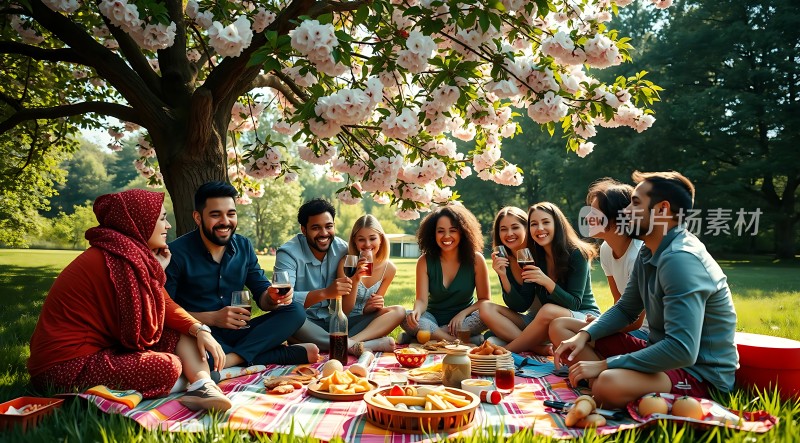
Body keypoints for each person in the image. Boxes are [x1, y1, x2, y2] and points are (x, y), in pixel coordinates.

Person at [28, 190, 231, 411]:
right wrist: (156, 277)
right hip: (64, 369)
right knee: (168, 366)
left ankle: (204, 386)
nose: (168, 226)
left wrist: (199, 329)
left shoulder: (126, 253)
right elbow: (140, 328)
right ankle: (188, 384)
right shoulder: (118, 260)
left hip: (100, 350)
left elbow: (163, 306)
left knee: (182, 331)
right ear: (139, 221)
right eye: (162, 219)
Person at [553, 171, 739, 409]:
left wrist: (606, 364)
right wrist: (585, 335)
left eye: (635, 203)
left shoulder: (681, 259)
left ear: (662, 210)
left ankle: (604, 384)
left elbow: (682, 350)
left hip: (698, 374)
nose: (625, 211)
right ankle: (605, 383)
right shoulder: (649, 249)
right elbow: (626, 309)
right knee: (566, 330)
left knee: (607, 383)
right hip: (659, 353)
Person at [166, 182, 317, 367]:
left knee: (295, 311)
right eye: (215, 215)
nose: (225, 221)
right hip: (198, 334)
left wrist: (272, 297)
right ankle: (268, 354)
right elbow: (165, 312)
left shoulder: (243, 246)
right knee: (199, 359)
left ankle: (232, 359)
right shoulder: (176, 253)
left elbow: (262, 296)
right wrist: (213, 318)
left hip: (239, 332)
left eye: (231, 214)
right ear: (198, 218)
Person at [275, 199, 395, 355]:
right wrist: (325, 293)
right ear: (303, 230)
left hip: (337, 322)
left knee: (397, 311)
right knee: (286, 315)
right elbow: (282, 300)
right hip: (304, 323)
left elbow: (347, 307)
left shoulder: (343, 250)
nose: (324, 233)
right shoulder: (288, 254)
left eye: (328, 226)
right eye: (316, 228)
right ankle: (352, 346)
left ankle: (342, 343)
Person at [549, 179, 648, 343]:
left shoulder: (637, 255)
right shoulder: (607, 249)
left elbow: (636, 321)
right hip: (626, 328)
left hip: (646, 335)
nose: (588, 218)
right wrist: (598, 324)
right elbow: (618, 302)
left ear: (617, 218)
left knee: (564, 330)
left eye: (595, 214)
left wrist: (598, 327)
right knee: (559, 326)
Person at [502, 202, 600, 355]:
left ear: (557, 225)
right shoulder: (534, 256)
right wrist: (503, 274)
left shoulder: (577, 253)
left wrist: (546, 282)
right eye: (534, 224)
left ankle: (505, 352)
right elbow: (522, 304)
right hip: (549, 320)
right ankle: (527, 346)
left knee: (547, 310)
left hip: (584, 316)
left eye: (546, 222)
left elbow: (574, 303)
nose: (539, 228)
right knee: (488, 309)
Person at [401, 205, 490, 344]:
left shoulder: (476, 259)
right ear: (433, 234)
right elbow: (422, 300)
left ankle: (426, 336)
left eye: (453, 230)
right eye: (440, 231)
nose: (446, 236)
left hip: (463, 320)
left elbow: (484, 300)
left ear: (463, 232)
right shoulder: (424, 261)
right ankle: (459, 340)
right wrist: (416, 311)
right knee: (405, 316)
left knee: (486, 315)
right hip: (432, 319)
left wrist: (462, 314)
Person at [336, 215, 405, 346]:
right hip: (344, 323)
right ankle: (369, 343)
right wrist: (355, 279)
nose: (367, 244)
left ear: (381, 240)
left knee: (400, 311)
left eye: (372, 238)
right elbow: (344, 310)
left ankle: (352, 342)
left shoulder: (389, 269)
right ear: (355, 241)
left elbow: (370, 311)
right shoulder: (347, 263)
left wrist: (373, 306)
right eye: (361, 239)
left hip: (366, 324)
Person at [479, 207, 544, 343]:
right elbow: (519, 306)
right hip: (531, 320)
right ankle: (534, 346)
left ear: (526, 228)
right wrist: (503, 275)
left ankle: (528, 344)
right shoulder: (503, 259)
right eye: (503, 229)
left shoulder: (539, 253)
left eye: (515, 227)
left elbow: (526, 300)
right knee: (485, 310)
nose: (509, 233)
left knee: (493, 339)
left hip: (549, 320)